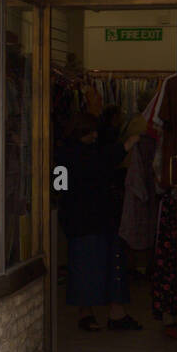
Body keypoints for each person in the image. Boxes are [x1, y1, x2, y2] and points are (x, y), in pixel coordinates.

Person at [57, 114, 143, 332]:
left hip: (79, 219)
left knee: (85, 267)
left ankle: (92, 313)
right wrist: (126, 145)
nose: (95, 136)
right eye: (90, 132)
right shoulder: (82, 155)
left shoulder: (64, 155)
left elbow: (61, 189)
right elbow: (99, 164)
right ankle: (111, 313)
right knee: (100, 264)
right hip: (92, 218)